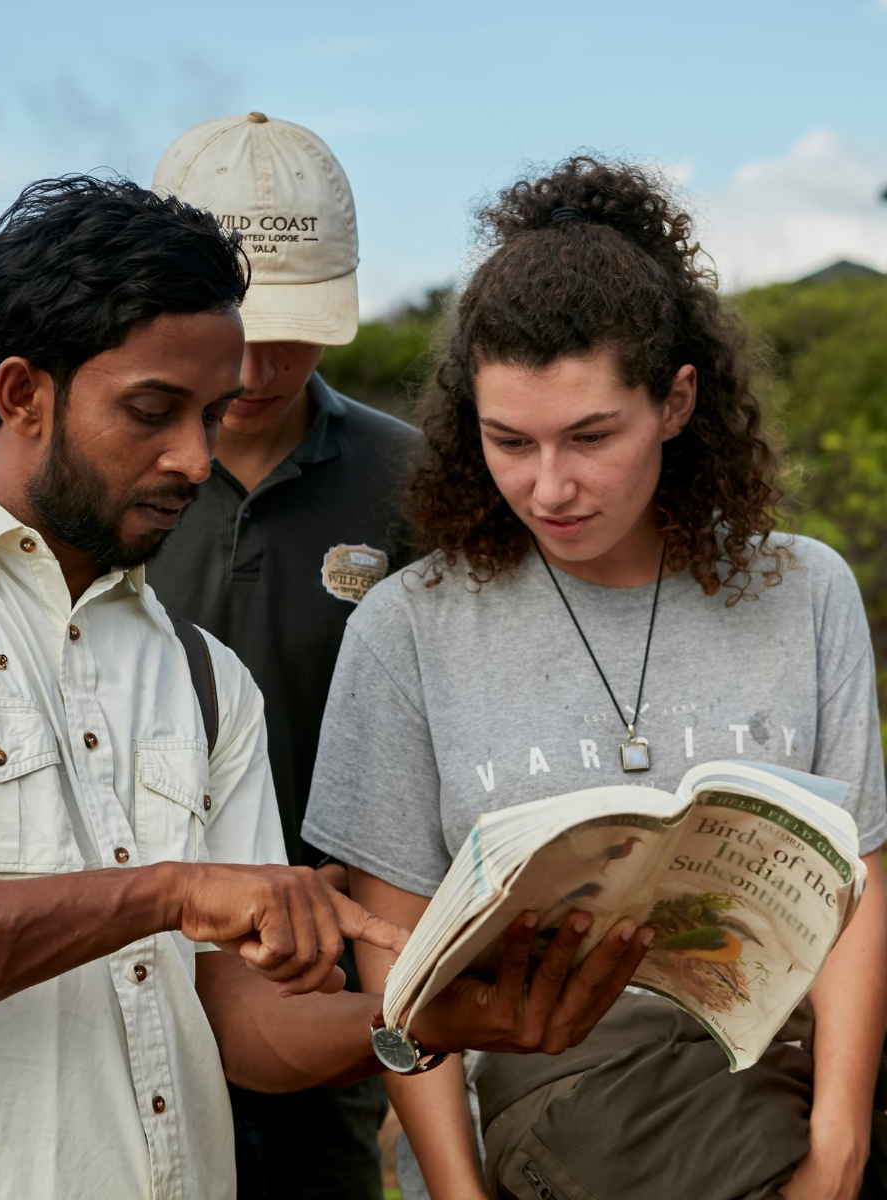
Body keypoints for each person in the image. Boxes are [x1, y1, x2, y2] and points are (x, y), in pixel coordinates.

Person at [0, 173, 650, 1200]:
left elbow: (243, 1027)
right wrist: (170, 892)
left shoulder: (205, 682)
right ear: (23, 395)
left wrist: (423, 1018)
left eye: (209, 413)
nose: (194, 459)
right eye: (152, 412)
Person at [302, 157, 887, 1200]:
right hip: (576, 1114)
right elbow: (397, 956)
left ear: (676, 401)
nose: (549, 486)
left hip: (801, 1082)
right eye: (508, 442)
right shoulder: (411, 627)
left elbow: (860, 883)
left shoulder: (802, 589)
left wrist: (837, 1155)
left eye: (591, 437)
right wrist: (457, 1191)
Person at [143, 111, 422, 1200]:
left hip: (325, 985)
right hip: (119, 971)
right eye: (232, 326)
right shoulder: (79, 479)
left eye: (291, 328)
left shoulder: (411, 483)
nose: (256, 365)